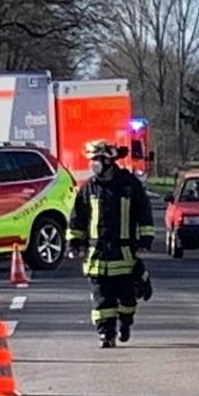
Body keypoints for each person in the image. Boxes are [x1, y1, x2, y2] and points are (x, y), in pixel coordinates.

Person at [68, 140, 154, 349]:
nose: (94, 164)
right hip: (97, 255)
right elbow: (78, 217)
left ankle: (125, 322)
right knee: (101, 300)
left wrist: (145, 240)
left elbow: (143, 212)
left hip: (123, 253)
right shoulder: (89, 187)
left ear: (108, 160)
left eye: (97, 159)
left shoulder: (129, 184)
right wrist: (74, 242)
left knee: (127, 299)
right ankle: (106, 334)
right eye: (92, 160)